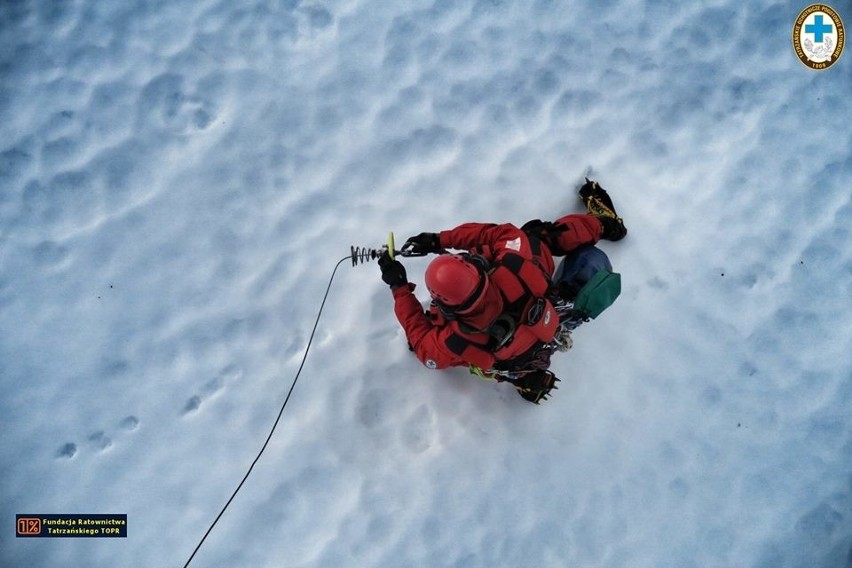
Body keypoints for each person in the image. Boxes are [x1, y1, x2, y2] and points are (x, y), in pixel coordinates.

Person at [378, 179, 627, 403]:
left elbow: (422, 345)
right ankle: (603, 225)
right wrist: (439, 240)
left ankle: (523, 377)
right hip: (548, 322)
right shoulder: (513, 265)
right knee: (541, 237)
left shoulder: (454, 339)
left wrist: (398, 285)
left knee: (483, 361)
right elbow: (497, 233)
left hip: (514, 356)